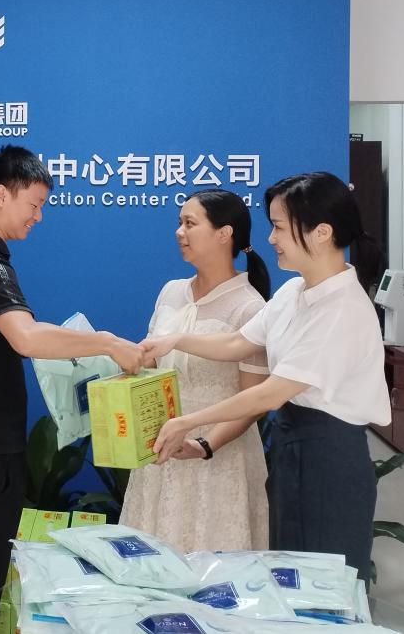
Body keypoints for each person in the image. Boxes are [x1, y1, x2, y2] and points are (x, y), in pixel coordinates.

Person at [0, 144, 145, 633]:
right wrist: (107, 342)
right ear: (1, 195)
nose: (39, 216)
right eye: (34, 204)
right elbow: (26, 337)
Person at [147, 172, 390, 578]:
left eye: (279, 227)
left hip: (330, 454)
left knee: (325, 579)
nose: (271, 238)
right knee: (290, 571)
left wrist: (188, 422)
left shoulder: (342, 309)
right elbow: (237, 343)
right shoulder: (293, 292)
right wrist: (174, 340)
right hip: (293, 444)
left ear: (321, 232)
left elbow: (270, 393)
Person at [120, 189, 271, 553]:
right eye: (179, 222)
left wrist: (204, 445)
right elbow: (151, 363)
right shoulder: (171, 291)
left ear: (224, 233)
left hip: (219, 455)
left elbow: (253, 401)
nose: (179, 232)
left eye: (190, 223)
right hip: (163, 446)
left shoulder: (250, 307)